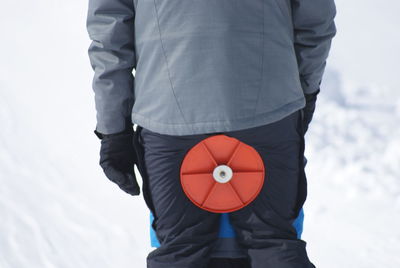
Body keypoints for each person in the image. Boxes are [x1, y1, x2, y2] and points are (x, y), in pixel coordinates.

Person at [86, 0, 336, 267]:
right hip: (269, 110)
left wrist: (115, 131)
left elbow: (110, 35)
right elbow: (315, 19)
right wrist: (303, 92)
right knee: (273, 241)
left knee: (179, 249)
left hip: (168, 116)